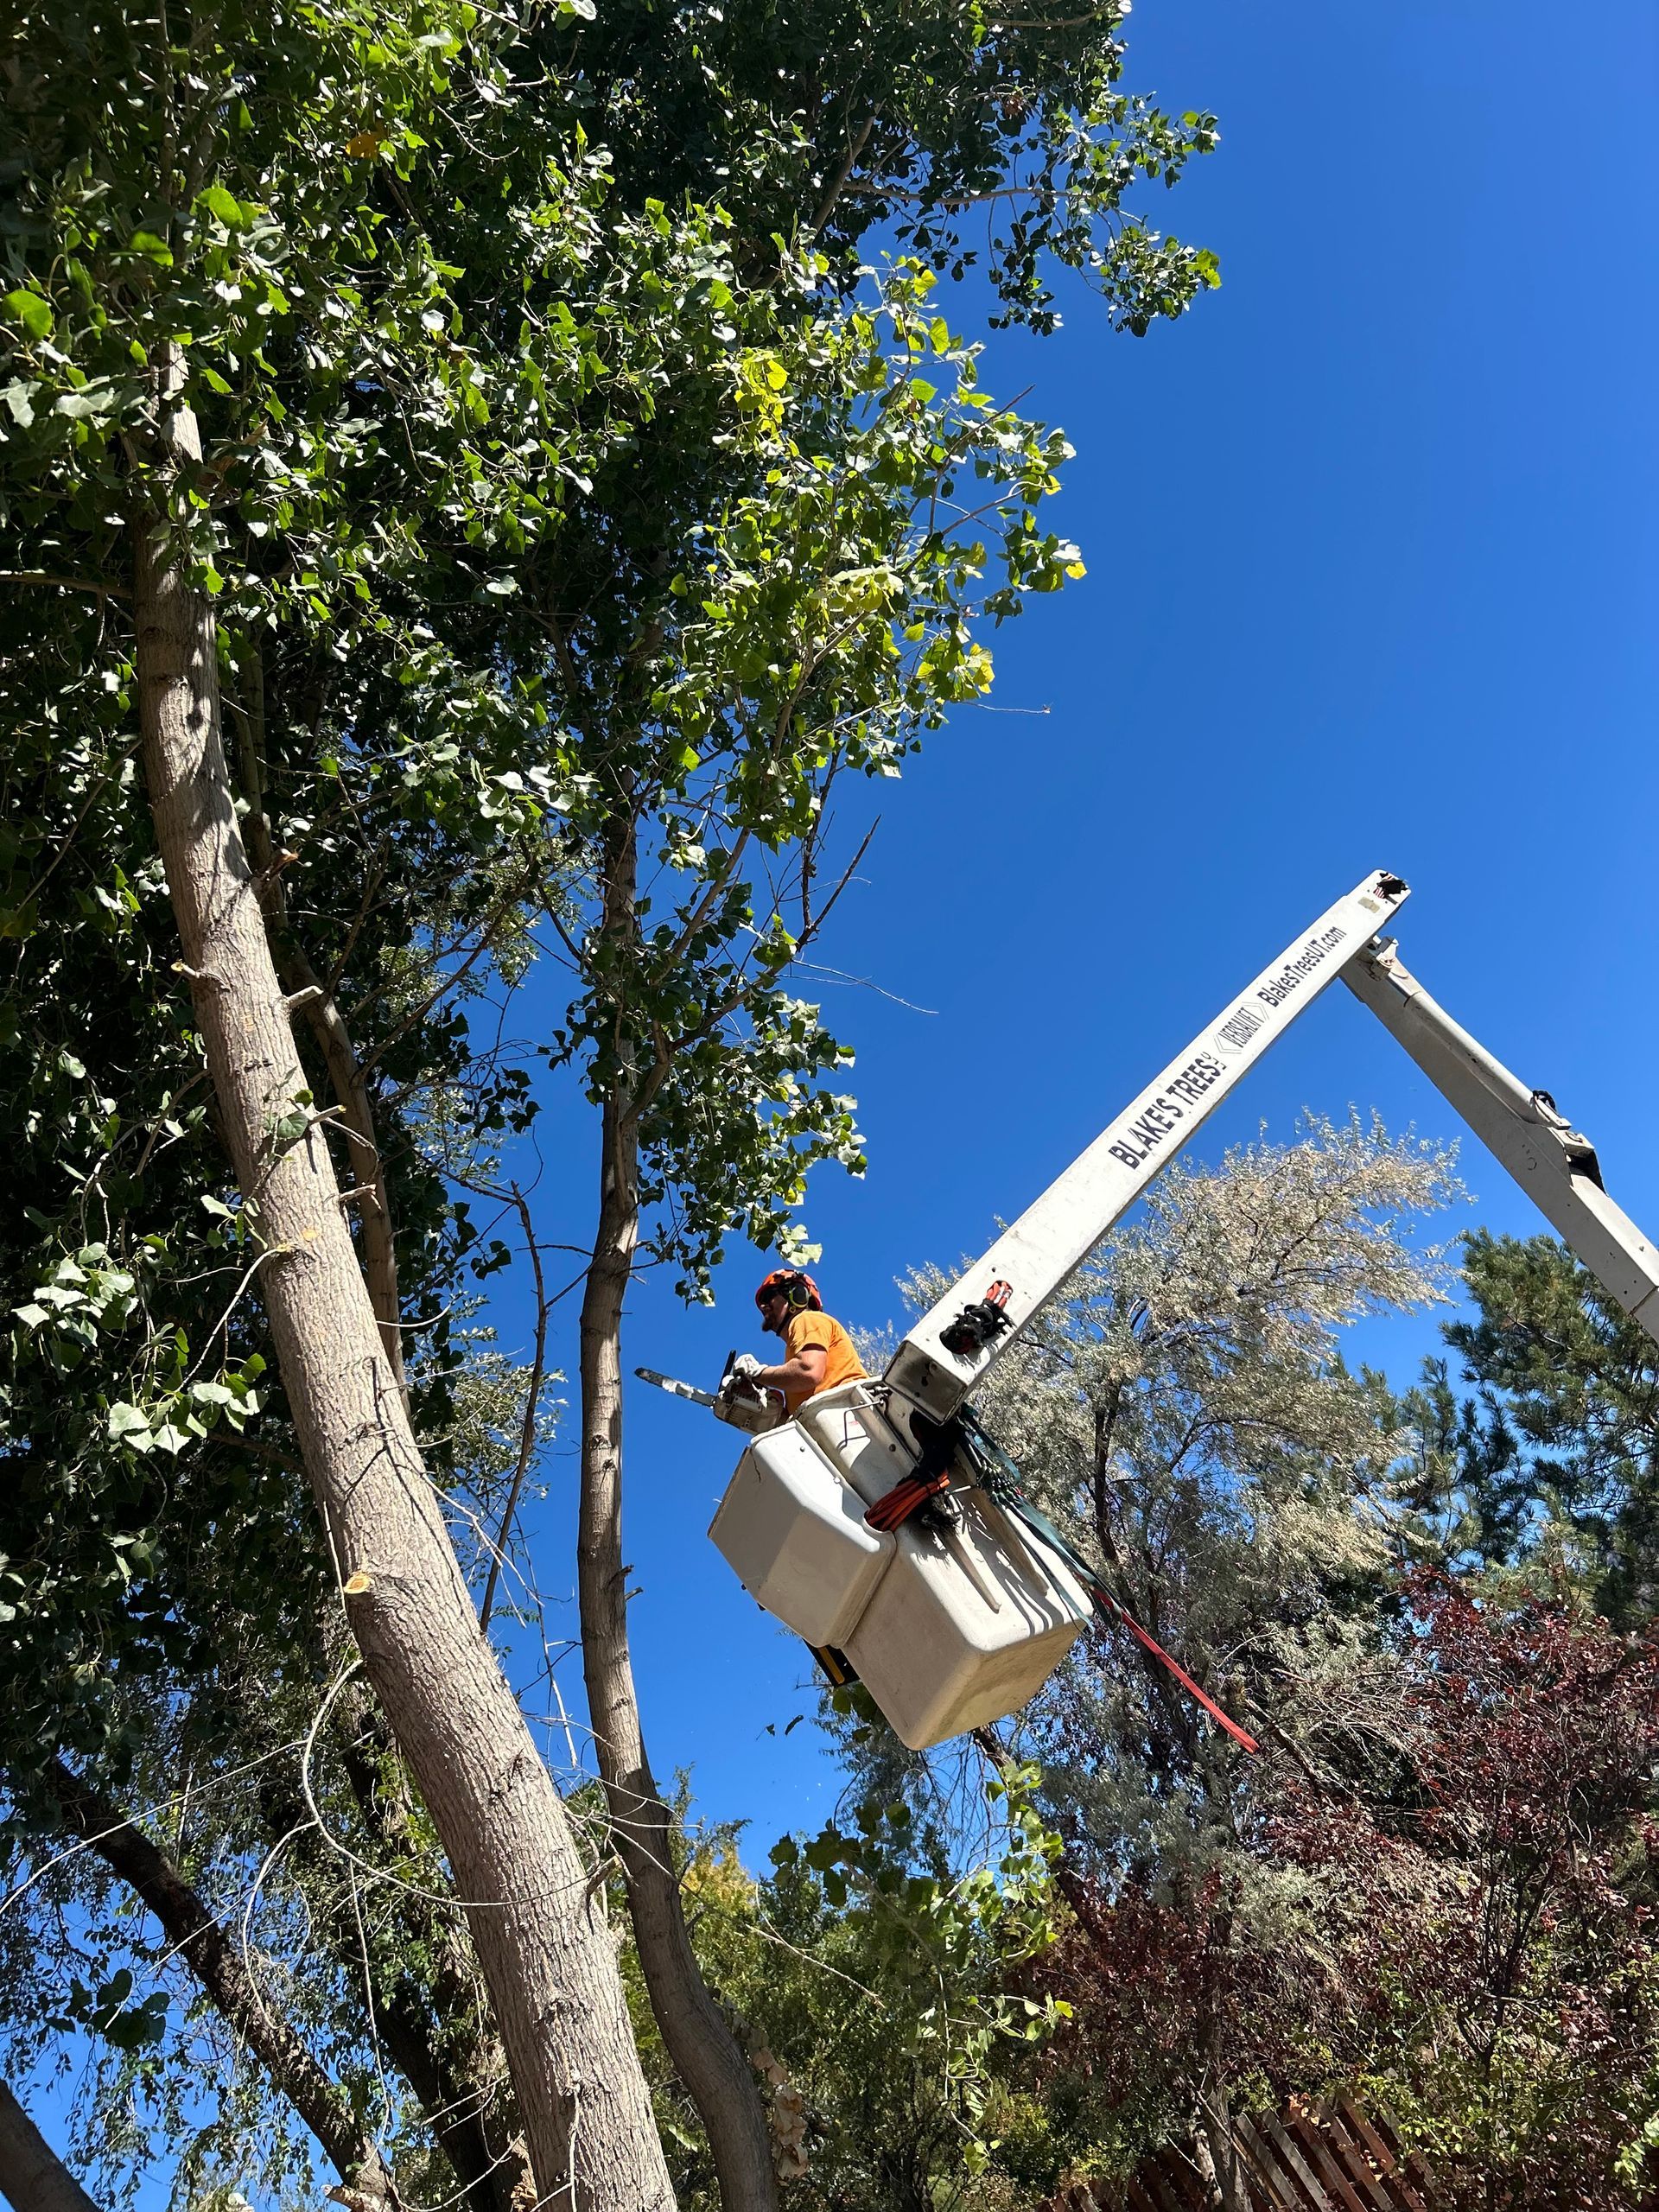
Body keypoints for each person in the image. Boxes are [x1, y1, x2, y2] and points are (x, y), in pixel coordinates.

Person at [726, 1268, 866, 1419]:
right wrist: (770, 1407)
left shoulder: (808, 1319)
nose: (762, 1307)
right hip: (837, 1420)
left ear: (797, 1295)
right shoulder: (793, 1355)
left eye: (769, 1296)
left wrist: (758, 1372)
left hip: (848, 1412)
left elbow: (808, 1372)